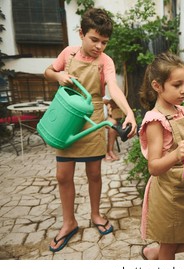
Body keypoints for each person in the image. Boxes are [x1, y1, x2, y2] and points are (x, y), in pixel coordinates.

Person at [44, 8, 137, 252]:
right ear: (81, 33)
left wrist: (129, 111)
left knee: (94, 173)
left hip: (93, 118)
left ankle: (96, 215)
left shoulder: (105, 61)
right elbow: (48, 71)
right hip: (67, 118)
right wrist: (59, 76)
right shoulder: (69, 53)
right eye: (94, 40)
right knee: (63, 175)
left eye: (104, 42)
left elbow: (113, 89)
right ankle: (69, 222)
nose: (99, 47)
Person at [138, 52, 184, 260]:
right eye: (177, 85)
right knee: (169, 247)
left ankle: (153, 253)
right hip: (169, 194)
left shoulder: (181, 111)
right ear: (157, 86)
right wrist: (177, 154)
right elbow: (154, 167)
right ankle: (158, 254)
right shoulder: (155, 121)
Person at [103, 96, 120, 161]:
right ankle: (104, 153)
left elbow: (108, 99)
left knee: (113, 124)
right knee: (99, 129)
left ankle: (110, 150)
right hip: (95, 119)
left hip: (105, 118)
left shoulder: (100, 89)